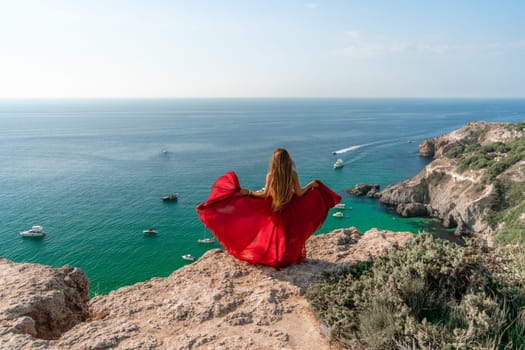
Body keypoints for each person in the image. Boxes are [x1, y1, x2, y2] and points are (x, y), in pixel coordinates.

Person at [196, 148, 341, 268]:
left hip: (273, 208)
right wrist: (312, 185)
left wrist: (247, 192)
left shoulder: (270, 175)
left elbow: (264, 195)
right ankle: (287, 258)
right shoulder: (293, 174)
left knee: (274, 236)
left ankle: (275, 259)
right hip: (291, 209)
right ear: (288, 160)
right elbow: (299, 193)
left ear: (275, 161)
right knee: (289, 235)